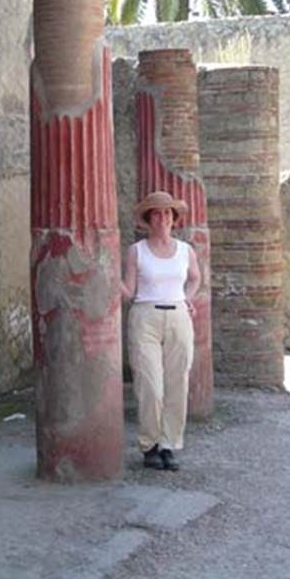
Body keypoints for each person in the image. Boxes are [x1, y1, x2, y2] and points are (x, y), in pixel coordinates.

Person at [121, 191, 202, 471]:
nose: (163, 218)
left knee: (178, 381)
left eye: (167, 213)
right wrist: (105, 277)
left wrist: (187, 298)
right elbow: (129, 290)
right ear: (148, 219)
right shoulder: (137, 251)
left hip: (178, 315)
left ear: (174, 218)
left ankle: (169, 444)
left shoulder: (185, 250)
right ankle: (149, 445)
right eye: (156, 213)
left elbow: (195, 278)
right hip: (145, 316)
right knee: (150, 385)